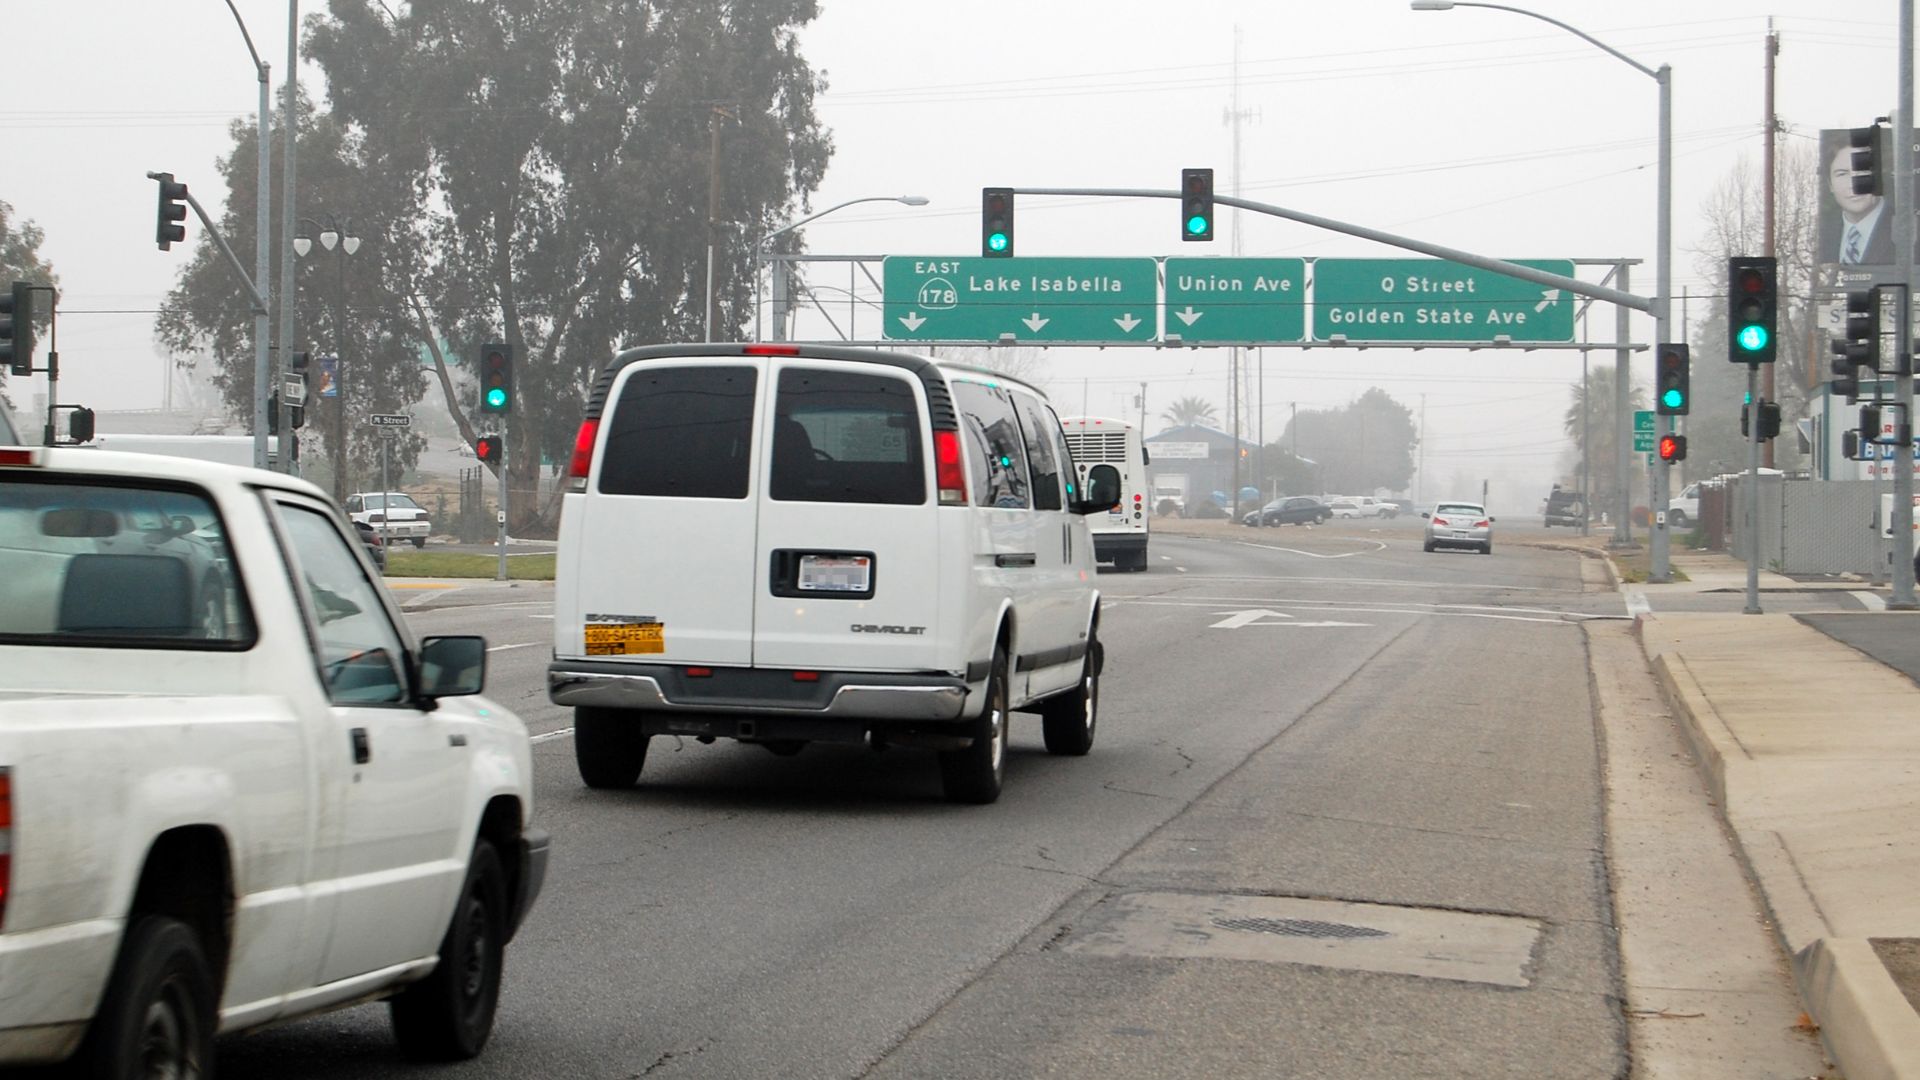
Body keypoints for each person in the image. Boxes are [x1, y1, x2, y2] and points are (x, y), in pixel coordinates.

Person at [1827, 138, 1892, 266]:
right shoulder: (1824, 237)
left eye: (1862, 172)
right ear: (1830, 185)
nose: (1854, 185)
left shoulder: (1908, 228)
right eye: (1842, 174)